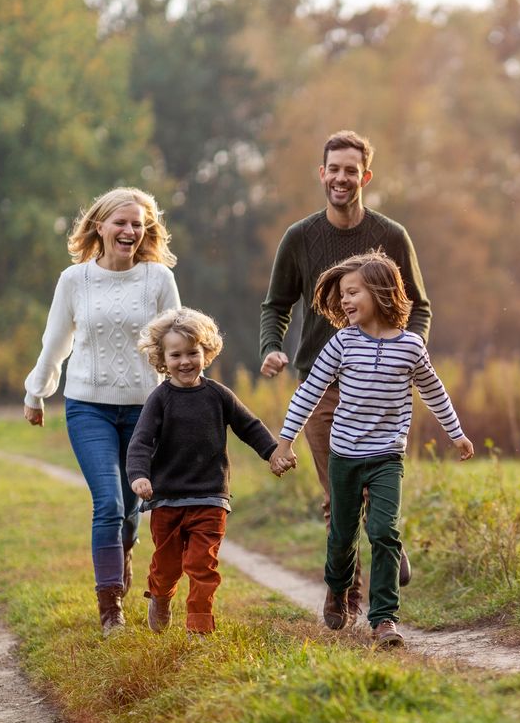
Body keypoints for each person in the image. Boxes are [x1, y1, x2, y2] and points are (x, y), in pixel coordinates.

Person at [260, 130, 428, 618]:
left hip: (382, 384)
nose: (341, 178)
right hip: (322, 383)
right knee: (338, 494)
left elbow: (418, 307)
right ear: (322, 173)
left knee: (377, 484)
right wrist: (272, 348)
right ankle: (344, 593)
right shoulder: (300, 237)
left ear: (365, 177)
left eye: (350, 170)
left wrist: (406, 355)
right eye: (333, 169)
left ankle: (385, 541)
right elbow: (276, 305)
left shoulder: (392, 236)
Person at [270, 251, 473, 648]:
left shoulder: (411, 347)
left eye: (352, 292)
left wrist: (457, 433)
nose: (344, 301)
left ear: (380, 292)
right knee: (342, 537)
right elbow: (309, 392)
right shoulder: (341, 344)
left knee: (384, 532)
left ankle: (384, 620)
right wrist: (285, 440)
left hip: (387, 457)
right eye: (342, 295)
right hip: (344, 455)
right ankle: (339, 588)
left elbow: (434, 391)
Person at [23, 187, 181, 636]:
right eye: (121, 222)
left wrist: (185, 400)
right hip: (87, 406)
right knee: (108, 503)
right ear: (100, 226)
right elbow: (56, 341)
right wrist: (37, 394)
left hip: (144, 411)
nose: (130, 231)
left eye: (138, 224)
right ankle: (110, 608)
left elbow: (177, 340)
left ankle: (123, 551)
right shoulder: (75, 280)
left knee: (131, 510)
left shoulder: (157, 279)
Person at [127, 307, 288, 636]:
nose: (185, 361)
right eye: (176, 355)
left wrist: (273, 452)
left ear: (206, 352)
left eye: (192, 353)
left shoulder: (218, 395)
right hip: (167, 499)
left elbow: (249, 427)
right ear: (162, 359)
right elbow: (140, 443)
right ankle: (160, 596)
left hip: (211, 496)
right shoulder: (159, 399)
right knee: (167, 565)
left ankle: (199, 625)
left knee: (202, 565)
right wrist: (139, 476)